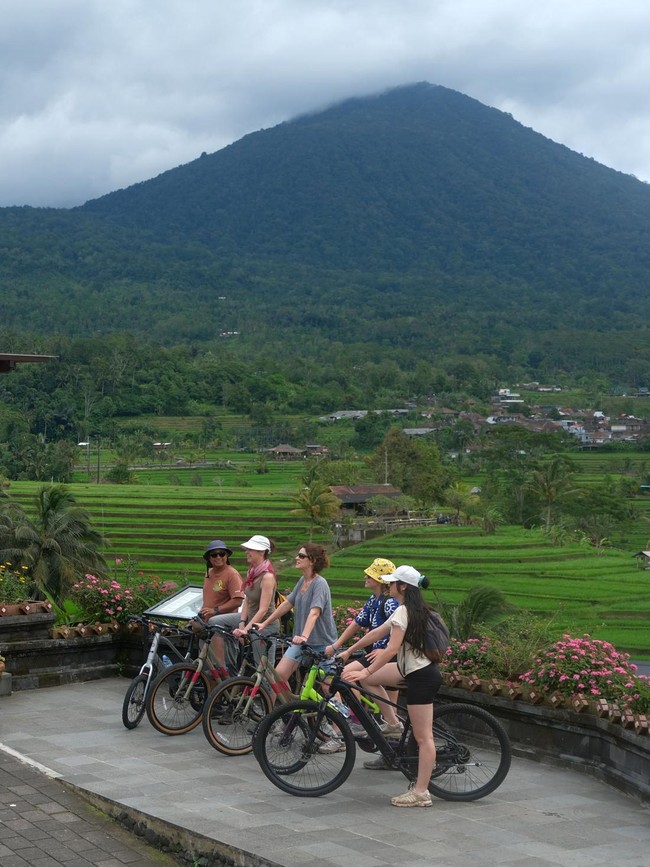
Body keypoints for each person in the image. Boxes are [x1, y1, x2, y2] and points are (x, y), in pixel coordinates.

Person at [340, 565, 441, 808]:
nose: (388, 586)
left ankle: (421, 792)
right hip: (413, 670)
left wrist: (366, 669)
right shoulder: (407, 611)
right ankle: (393, 724)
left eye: (392, 582)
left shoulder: (405, 611)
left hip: (421, 676)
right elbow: (375, 634)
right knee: (369, 681)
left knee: (424, 737)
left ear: (403, 586)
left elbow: (391, 649)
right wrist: (348, 652)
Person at [243, 542, 339, 751]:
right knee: (278, 677)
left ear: (311, 561)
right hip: (301, 642)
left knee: (327, 686)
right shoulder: (302, 581)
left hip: (321, 644)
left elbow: (315, 612)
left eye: (301, 556)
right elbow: (286, 604)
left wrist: (304, 635)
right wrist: (264, 623)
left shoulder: (319, 584)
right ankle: (282, 717)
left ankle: (338, 734)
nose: (297, 558)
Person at [230, 535, 279, 664]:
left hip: (264, 625)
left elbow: (263, 610)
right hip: (251, 620)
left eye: (250, 549)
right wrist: (241, 623)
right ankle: (226, 667)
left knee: (263, 668)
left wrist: (245, 630)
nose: (247, 552)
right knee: (215, 622)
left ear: (261, 552)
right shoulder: (252, 571)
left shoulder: (267, 577)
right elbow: (248, 599)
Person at [198, 540, 245, 673]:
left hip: (223, 630)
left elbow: (237, 601)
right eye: (214, 555)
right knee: (208, 668)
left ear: (227, 556)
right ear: (209, 558)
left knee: (222, 668)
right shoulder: (209, 574)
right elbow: (207, 601)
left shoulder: (232, 574)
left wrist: (215, 611)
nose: (218, 557)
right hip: (208, 627)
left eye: (222, 554)